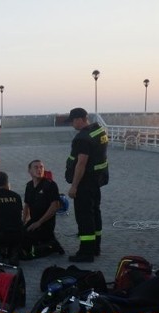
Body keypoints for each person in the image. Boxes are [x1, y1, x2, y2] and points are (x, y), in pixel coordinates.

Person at [64, 107, 109, 263]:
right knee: (95, 213)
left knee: (84, 217)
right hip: (97, 181)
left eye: (72, 121)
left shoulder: (82, 138)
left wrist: (74, 186)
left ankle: (86, 252)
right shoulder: (98, 131)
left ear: (80, 119)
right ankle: (96, 247)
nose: (72, 124)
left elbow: (81, 163)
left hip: (85, 183)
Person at [22, 160, 65, 259]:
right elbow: (26, 205)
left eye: (41, 167)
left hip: (45, 224)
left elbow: (55, 206)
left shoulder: (50, 185)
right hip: (34, 221)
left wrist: (39, 222)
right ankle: (47, 241)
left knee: (26, 240)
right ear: (29, 171)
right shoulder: (29, 186)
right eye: (36, 167)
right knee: (19, 234)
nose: (39, 169)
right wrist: (23, 222)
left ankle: (52, 245)